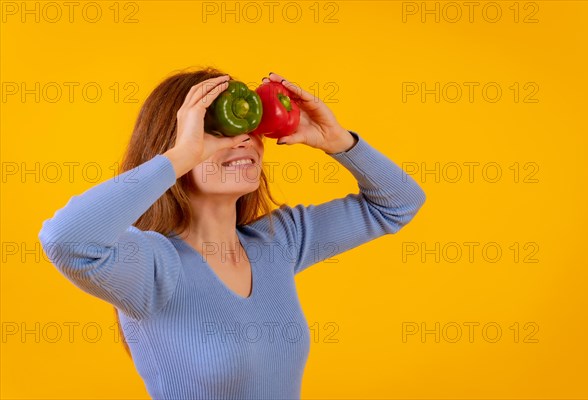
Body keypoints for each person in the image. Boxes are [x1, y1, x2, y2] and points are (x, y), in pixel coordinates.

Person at [38, 67, 427, 399]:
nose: (243, 139)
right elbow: (66, 241)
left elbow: (397, 204)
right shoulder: (153, 266)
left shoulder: (279, 241)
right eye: (215, 130)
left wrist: (338, 141)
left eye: (249, 125)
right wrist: (180, 157)